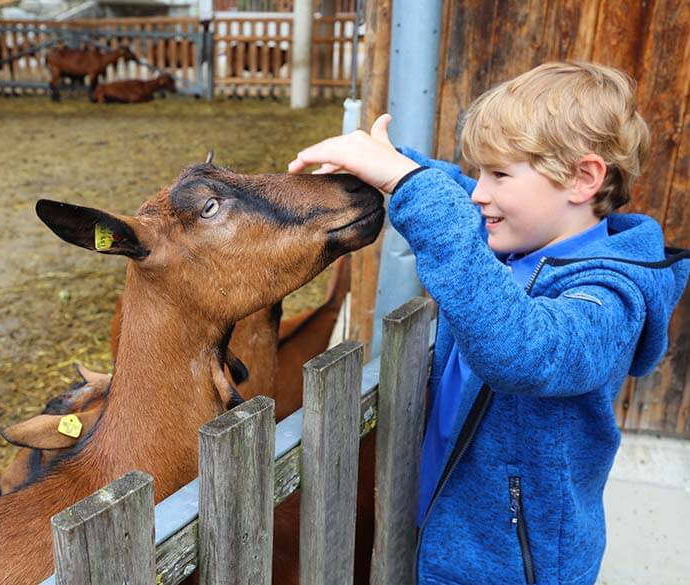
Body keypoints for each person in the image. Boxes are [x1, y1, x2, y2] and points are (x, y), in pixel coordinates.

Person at [288, 61, 690, 585]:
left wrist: (411, 185)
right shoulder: (522, 238)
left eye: (499, 174)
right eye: (480, 172)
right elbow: (455, 194)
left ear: (583, 178)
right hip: (449, 533)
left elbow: (524, 349)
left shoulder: (611, 298)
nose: (479, 193)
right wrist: (391, 163)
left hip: (514, 566)